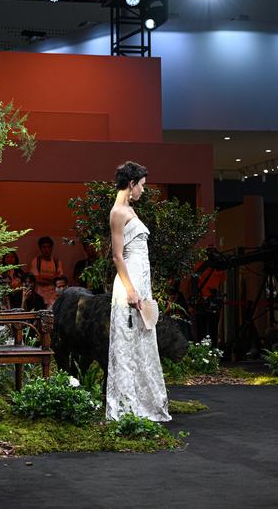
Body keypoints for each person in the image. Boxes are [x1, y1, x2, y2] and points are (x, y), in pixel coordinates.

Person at [106, 161, 170, 423]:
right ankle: (127, 407)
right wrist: (131, 291)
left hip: (140, 281)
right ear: (131, 184)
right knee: (127, 343)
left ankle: (144, 404)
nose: (144, 190)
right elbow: (117, 256)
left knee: (141, 342)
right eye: (142, 185)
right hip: (129, 284)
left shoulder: (129, 209)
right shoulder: (118, 212)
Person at [29, 236, 65, 307]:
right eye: (44, 247)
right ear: (40, 248)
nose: (46, 249)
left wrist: (42, 277)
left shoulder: (57, 262)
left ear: (52, 248)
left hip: (54, 295)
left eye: (48, 247)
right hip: (40, 294)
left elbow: (59, 280)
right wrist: (52, 278)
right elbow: (36, 279)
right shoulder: (36, 261)